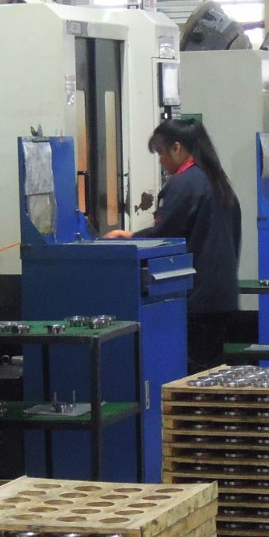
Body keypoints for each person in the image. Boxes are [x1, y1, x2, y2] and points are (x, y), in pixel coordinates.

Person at [106, 120, 243, 371]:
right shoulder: (219, 182)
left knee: (189, 372)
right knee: (210, 369)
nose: (160, 161)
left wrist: (130, 238)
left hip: (195, 299)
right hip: (222, 297)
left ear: (177, 148)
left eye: (161, 153)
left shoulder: (184, 184)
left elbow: (164, 236)